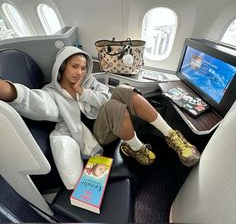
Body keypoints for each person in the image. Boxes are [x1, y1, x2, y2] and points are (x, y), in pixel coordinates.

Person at [0, 46, 200, 190]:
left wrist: (84, 93)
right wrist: (9, 91)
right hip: (95, 138)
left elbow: (105, 98)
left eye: (83, 67)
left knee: (121, 90)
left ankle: (173, 137)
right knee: (114, 105)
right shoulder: (51, 93)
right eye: (74, 67)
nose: (80, 72)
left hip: (108, 122)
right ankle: (136, 148)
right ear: (62, 67)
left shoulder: (90, 81)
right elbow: (34, 101)